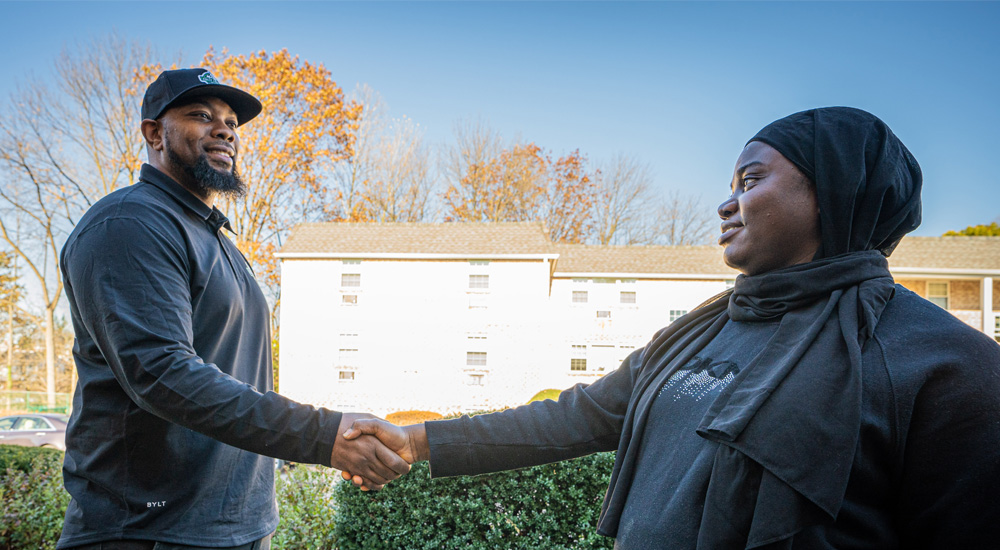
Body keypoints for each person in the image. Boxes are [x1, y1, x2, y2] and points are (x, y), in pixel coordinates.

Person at [344, 107, 1000, 548]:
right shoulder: (694, 336)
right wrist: (413, 440)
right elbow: (566, 419)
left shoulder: (945, 365)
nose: (725, 202)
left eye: (750, 179)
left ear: (833, 189)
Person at [57, 68, 408, 550]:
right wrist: (325, 436)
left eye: (231, 122)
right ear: (154, 133)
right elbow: (162, 374)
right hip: (147, 532)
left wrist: (333, 449)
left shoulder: (215, 240)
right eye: (202, 116)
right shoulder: (130, 224)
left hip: (235, 527)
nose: (225, 129)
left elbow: (237, 379)